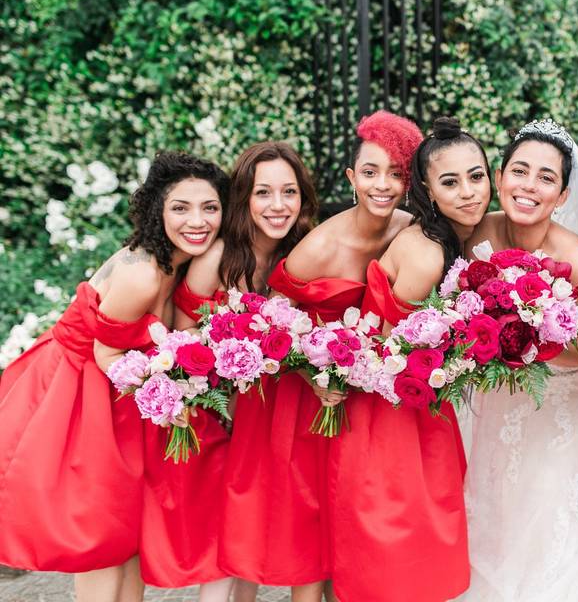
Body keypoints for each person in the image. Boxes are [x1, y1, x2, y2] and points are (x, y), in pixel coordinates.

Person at [0, 151, 228, 602]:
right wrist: (167, 400)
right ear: (157, 211)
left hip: (120, 389)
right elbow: (107, 351)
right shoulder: (142, 274)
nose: (196, 220)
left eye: (210, 207)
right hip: (79, 388)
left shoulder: (179, 261)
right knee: (99, 534)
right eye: (180, 208)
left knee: (126, 535)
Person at [225, 110, 419, 602]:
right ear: (352, 178)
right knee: (308, 524)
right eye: (371, 172)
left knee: (356, 523)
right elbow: (279, 324)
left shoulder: (411, 230)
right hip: (309, 396)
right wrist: (316, 371)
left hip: (367, 391)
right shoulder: (318, 247)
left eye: (396, 174)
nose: (383, 185)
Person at [329, 116, 489, 602]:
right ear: (426, 189)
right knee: (393, 559)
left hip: (419, 411)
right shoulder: (426, 254)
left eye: (476, 176)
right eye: (450, 182)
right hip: (389, 413)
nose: (467, 192)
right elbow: (383, 350)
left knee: (420, 561)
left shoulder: (447, 233)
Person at [459, 119, 578, 602]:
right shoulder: (472, 236)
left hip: (562, 406)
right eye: (520, 171)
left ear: (564, 195)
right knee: (486, 514)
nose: (529, 187)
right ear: (500, 175)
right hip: (488, 398)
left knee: (544, 518)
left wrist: (529, 341)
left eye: (546, 178)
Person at [155, 141, 317, 602]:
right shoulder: (218, 257)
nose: (278, 205)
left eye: (289, 192)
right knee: (230, 543)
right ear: (244, 196)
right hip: (221, 415)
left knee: (255, 537)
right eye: (264, 192)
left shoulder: (303, 252)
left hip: (273, 415)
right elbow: (182, 340)